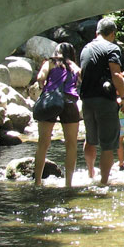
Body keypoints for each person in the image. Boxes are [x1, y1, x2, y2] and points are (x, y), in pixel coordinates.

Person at [79, 18, 124, 185]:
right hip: (104, 100)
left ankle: (90, 174)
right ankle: (104, 182)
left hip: (86, 99)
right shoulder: (112, 48)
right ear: (113, 34)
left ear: (97, 33)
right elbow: (115, 75)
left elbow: (82, 73)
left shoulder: (86, 48)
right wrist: (123, 98)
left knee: (90, 139)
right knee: (107, 144)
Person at [33, 42, 81, 187]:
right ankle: (68, 184)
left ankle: (37, 182)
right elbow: (81, 79)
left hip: (51, 101)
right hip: (69, 102)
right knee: (71, 145)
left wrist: (44, 87)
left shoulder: (51, 62)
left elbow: (40, 78)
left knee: (43, 143)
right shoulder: (74, 66)